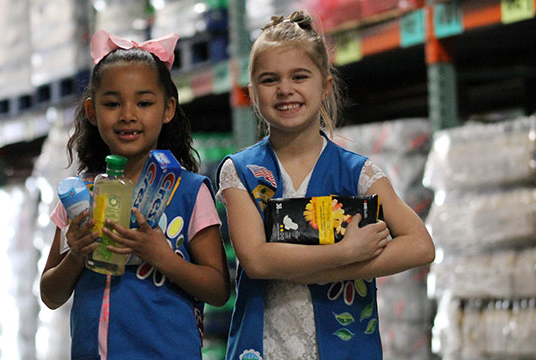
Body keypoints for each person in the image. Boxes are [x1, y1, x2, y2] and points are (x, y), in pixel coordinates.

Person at [216, 10, 435, 360]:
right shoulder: (240, 172)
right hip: (266, 348)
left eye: (299, 76)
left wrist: (328, 269)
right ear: (253, 92)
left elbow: (421, 246)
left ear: (325, 85)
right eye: (270, 80)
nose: (285, 89)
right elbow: (257, 260)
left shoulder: (358, 173)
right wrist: (345, 253)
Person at [40, 29, 230, 360]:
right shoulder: (78, 196)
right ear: (92, 111)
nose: (128, 114)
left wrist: (162, 257)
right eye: (113, 103)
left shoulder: (189, 192)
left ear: (168, 108)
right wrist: (77, 254)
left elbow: (217, 288)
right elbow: (50, 294)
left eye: (144, 103)